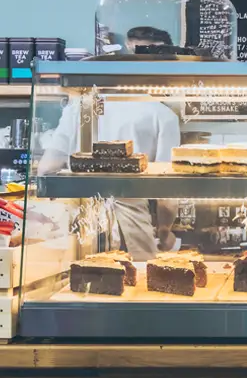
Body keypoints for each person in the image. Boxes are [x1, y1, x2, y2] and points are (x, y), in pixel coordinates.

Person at [38, 27, 181, 258]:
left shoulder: (83, 106)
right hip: (131, 224)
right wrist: (165, 231)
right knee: (134, 284)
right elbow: (168, 191)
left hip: (80, 224)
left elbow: (47, 168)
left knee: (79, 284)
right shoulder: (162, 115)